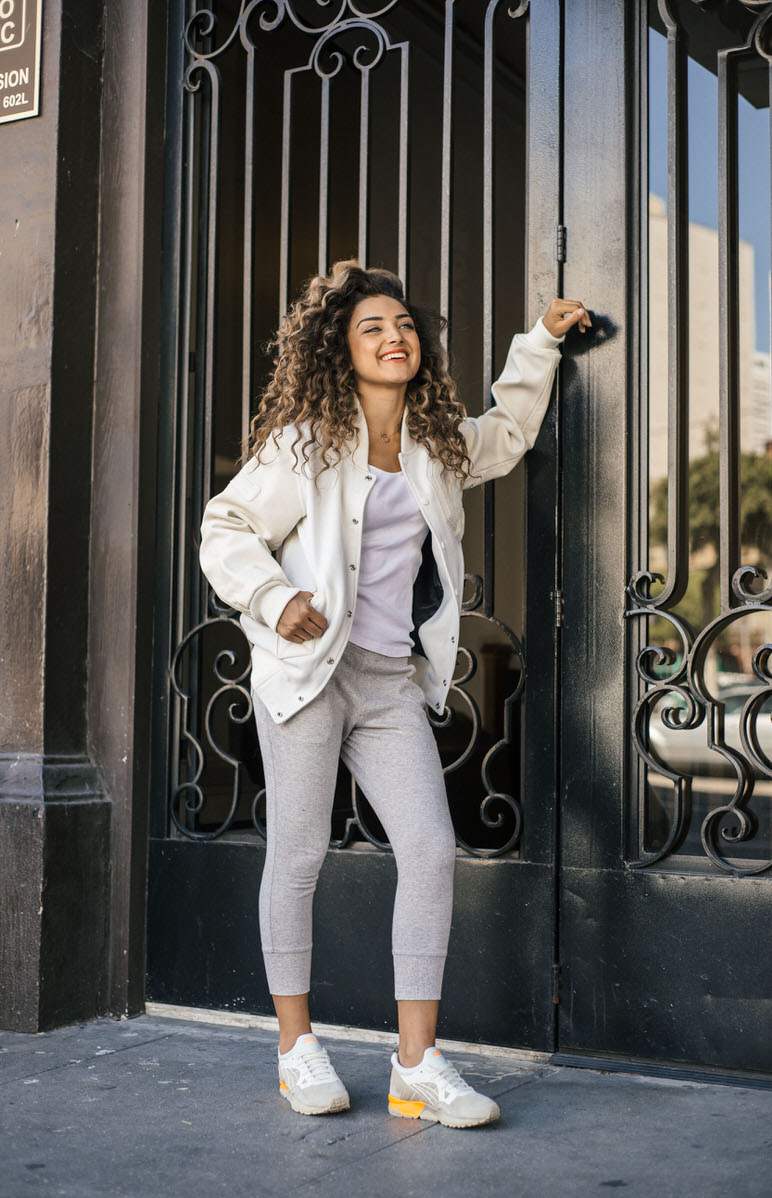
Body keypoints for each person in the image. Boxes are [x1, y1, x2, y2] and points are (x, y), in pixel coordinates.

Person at [199, 260, 590, 1128]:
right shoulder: (305, 441)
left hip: (385, 684)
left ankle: (416, 1066)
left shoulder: (435, 445)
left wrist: (541, 344)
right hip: (305, 677)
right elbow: (223, 526)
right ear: (342, 347)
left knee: (428, 847)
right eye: (373, 326)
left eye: (405, 326)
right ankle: (297, 1050)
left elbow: (508, 436)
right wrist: (274, 598)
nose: (395, 337)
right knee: (297, 857)